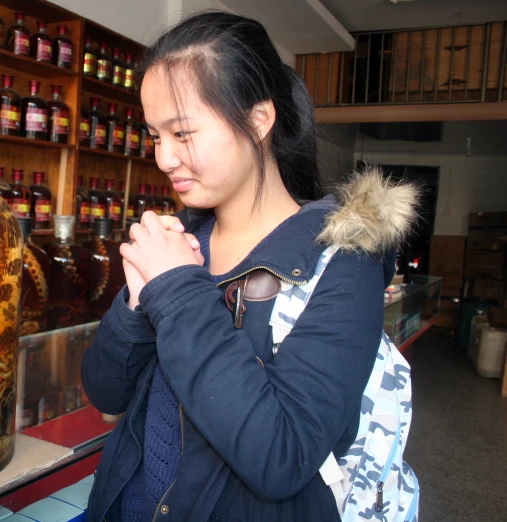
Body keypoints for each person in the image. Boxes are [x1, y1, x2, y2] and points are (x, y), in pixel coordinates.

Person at [81, 11, 420, 522]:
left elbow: (280, 456)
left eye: (183, 133)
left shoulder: (343, 263)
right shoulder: (184, 241)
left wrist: (174, 291)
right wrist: (133, 303)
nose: (164, 158)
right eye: (155, 136)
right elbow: (106, 392)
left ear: (259, 120)